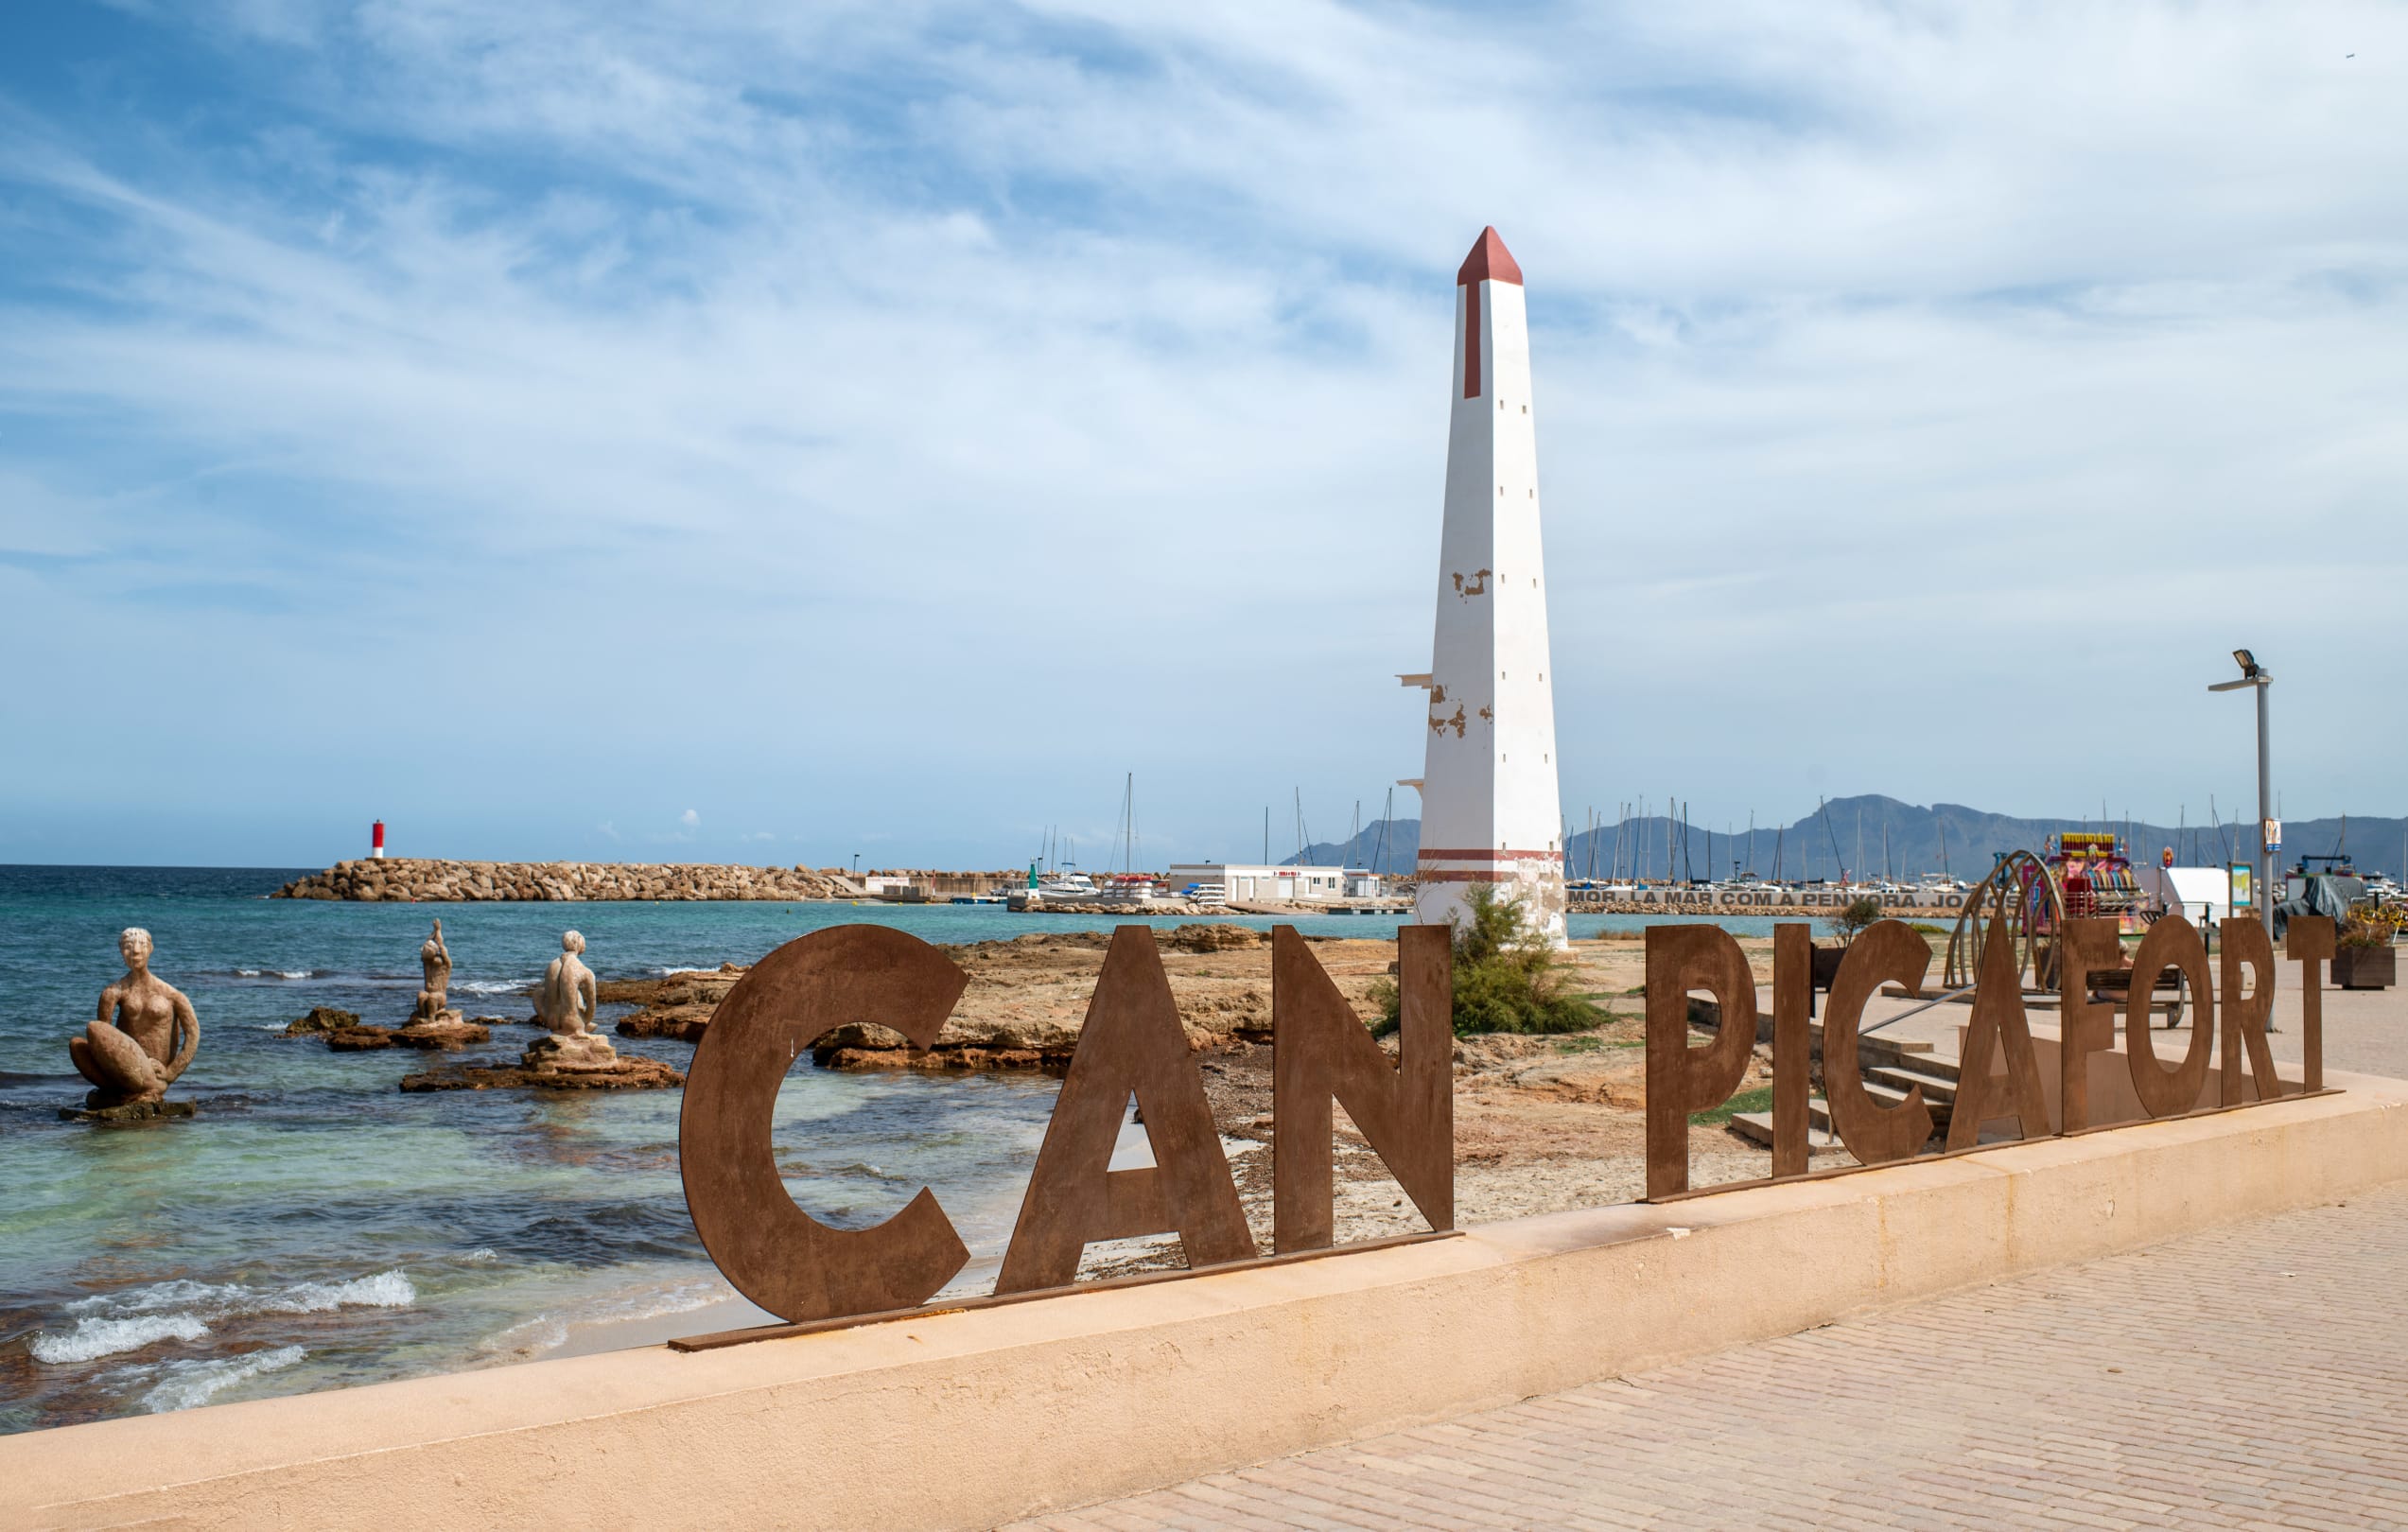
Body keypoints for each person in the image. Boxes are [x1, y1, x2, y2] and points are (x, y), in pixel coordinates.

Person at [72, 928, 200, 1106]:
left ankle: (144, 1091)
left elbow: (193, 1035)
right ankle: (120, 1092)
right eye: (128, 946)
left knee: (94, 1028)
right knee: (76, 1045)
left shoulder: (171, 995)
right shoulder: (112, 993)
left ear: (150, 949)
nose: (136, 951)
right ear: (121, 951)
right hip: (123, 1069)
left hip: (155, 1075)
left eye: (142, 945)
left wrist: (171, 1073)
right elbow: (103, 1043)